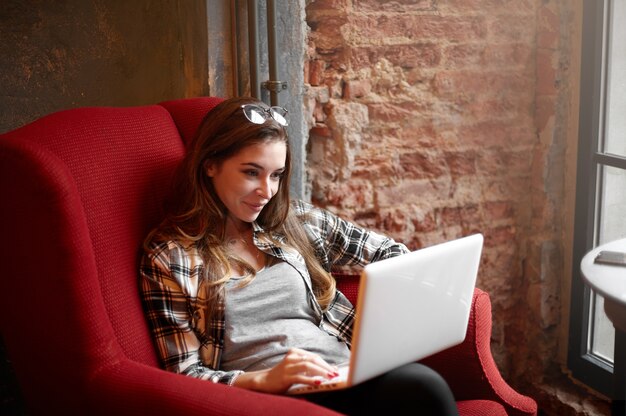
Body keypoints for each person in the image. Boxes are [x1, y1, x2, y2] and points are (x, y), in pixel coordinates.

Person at [139, 96, 458, 415]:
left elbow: (391, 254)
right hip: (268, 399)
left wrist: (387, 321)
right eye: (252, 172)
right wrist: (264, 380)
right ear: (210, 164)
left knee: (423, 385)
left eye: (276, 175)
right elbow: (185, 375)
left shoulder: (296, 221)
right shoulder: (171, 257)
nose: (267, 190)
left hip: (342, 373)